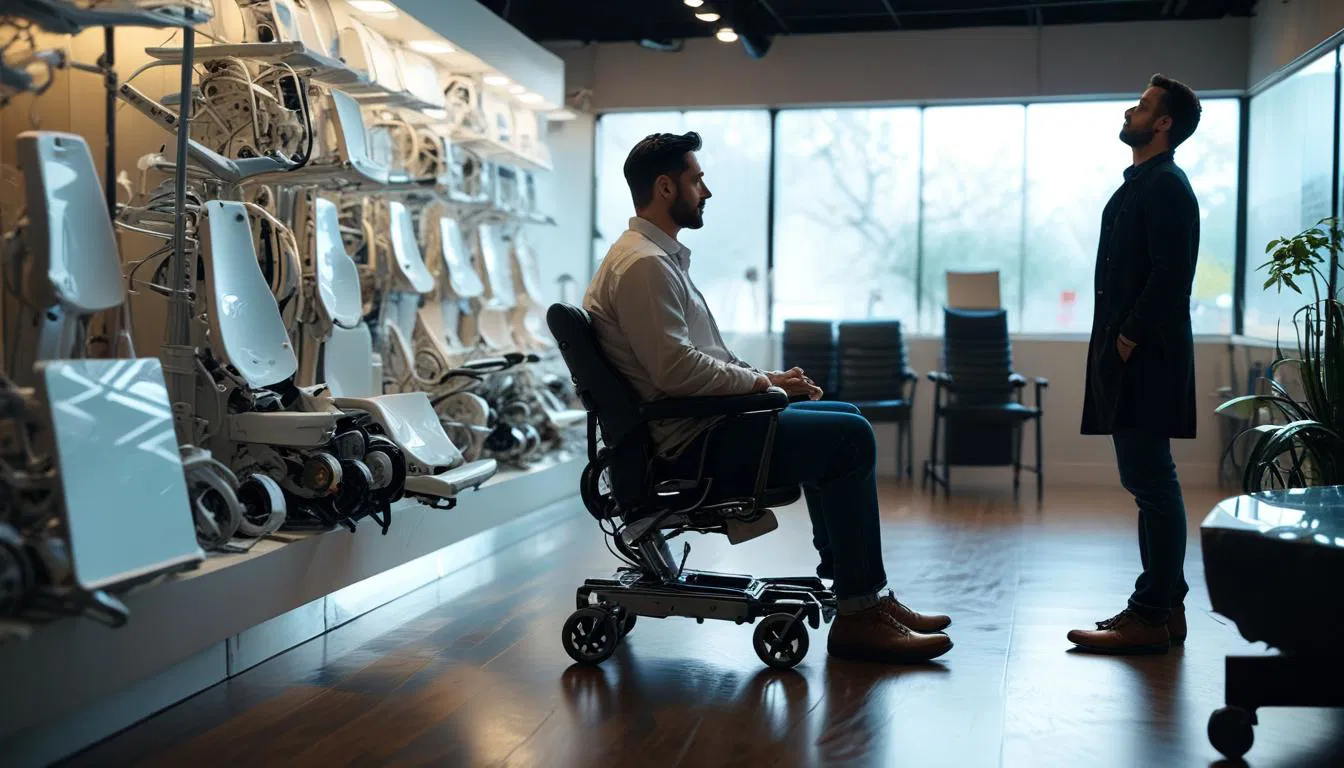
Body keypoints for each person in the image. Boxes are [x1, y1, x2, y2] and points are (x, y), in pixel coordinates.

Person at [583, 131, 953, 663]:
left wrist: (771, 377)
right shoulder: (643, 265)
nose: (705, 191)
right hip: (693, 445)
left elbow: (695, 361)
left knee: (842, 416)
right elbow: (676, 371)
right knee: (848, 436)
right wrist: (764, 386)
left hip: (702, 428)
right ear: (665, 188)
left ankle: (861, 596)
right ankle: (859, 610)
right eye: (697, 179)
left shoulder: (652, 259)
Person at [1071, 74, 1202, 654]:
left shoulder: (1167, 185)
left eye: (1144, 105)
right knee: (1148, 481)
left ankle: (1151, 612)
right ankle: (1164, 607)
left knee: (1151, 482)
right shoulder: (1141, 184)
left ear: (1164, 124)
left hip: (1145, 355)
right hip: (1132, 357)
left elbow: (1172, 275)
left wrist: (1127, 335)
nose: (1132, 108)